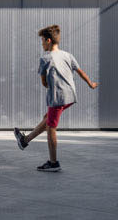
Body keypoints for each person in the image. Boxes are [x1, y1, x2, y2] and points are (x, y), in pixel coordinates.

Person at [13, 24, 97, 172]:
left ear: (48, 41)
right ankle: (24, 141)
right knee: (48, 119)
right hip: (70, 95)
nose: (42, 44)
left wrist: (49, 84)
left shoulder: (45, 59)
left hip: (58, 96)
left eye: (42, 41)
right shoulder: (67, 55)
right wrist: (91, 83)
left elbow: (44, 82)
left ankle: (53, 163)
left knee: (51, 127)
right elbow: (80, 72)